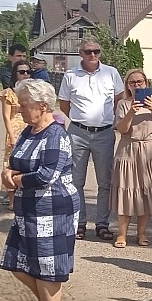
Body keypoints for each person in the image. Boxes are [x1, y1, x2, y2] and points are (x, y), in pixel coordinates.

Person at [0, 78, 80, 301]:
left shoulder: (56, 135)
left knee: (47, 267)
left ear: (43, 106)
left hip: (53, 209)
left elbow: (47, 175)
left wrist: (17, 180)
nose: (20, 109)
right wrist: (8, 171)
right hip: (27, 208)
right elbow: (15, 159)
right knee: (18, 263)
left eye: (24, 104)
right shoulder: (27, 131)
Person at [58, 38, 123, 241]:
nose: (93, 55)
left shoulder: (111, 72)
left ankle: (102, 224)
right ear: (81, 53)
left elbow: (119, 100)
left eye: (96, 51)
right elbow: (64, 105)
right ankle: (79, 223)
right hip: (78, 132)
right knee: (76, 180)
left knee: (105, 181)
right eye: (88, 52)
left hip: (104, 133)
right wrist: (82, 120)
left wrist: (107, 120)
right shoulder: (70, 75)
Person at [111, 69, 152, 248]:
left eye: (140, 82)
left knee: (146, 193)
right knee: (126, 191)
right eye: (132, 83)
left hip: (151, 149)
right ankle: (122, 234)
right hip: (129, 149)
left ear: (146, 83)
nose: (137, 85)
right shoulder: (123, 103)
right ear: (127, 86)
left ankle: (142, 233)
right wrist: (132, 112)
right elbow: (122, 129)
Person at [0, 60, 33, 208]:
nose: (25, 74)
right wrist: (12, 135)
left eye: (28, 72)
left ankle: (25, 197)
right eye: (21, 72)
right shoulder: (9, 93)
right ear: (15, 74)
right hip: (15, 131)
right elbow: (6, 117)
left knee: (28, 164)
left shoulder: (32, 92)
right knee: (12, 163)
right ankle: (12, 200)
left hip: (30, 130)